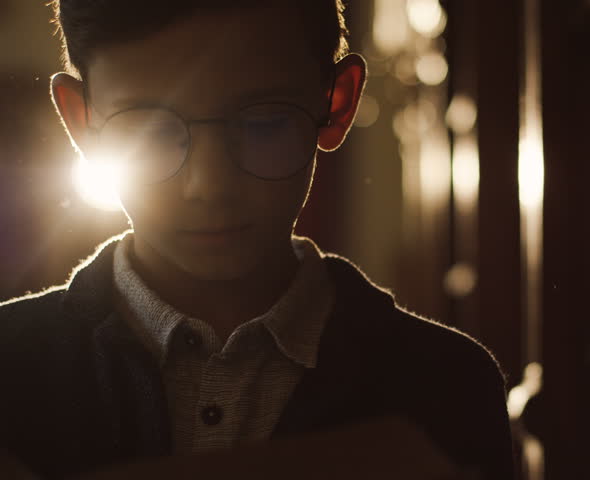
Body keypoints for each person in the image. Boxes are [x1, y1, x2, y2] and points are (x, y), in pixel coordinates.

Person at [0, 1, 515, 478]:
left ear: (336, 103)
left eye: (264, 124)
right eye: (150, 130)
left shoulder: (447, 385)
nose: (209, 186)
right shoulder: (12, 368)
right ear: (80, 120)